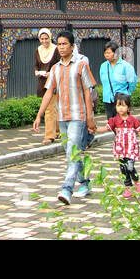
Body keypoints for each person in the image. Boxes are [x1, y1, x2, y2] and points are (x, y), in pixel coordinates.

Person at [32, 30, 98, 205]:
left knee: (71, 152)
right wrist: (39, 115)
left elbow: (87, 91)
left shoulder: (81, 65)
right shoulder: (55, 68)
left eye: (64, 44)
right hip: (63, 117)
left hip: (79, 116)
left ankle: (66, 189)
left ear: (72, 46)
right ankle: (85, 182)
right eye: (59, 44)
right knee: (71, 151)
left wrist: (90, 118)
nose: (61, 47)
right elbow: (48, 93)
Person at [107, 93, 140, 199]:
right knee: (123, 169)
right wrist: (93, 130)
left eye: (123, 105)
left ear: (128, 107)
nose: (121, 108)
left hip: (131, 149)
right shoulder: (114, 120)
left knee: (130, 167)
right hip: (120, 149)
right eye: (118, 105)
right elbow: (106, 129)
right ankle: (128, 187)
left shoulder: (133, 120)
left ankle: (137, 182)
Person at [98, 41, 137, 125]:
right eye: (105, 53)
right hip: (108, 100)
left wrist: (126, 93)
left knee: (122, 123)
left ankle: (125, 137)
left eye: (109, 52)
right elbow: (103, 81)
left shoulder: (125, 66)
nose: (106, 55)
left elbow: (132, 82)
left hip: (121, 99)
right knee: (111, 123)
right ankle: (119, 137)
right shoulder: (103, 66)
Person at [34, 28, 60, 144]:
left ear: (50, 38)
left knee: (49, 108)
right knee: (54, 107)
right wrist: (36, 71)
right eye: (42, 39)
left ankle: (49, 135)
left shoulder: (56, 49)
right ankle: (58, 131)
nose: (44, 41)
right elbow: (35, 65)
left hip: (54, 82)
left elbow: (59, 65)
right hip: (42, 81)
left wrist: (52, 73)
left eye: (46, 38)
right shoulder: (38, 50)